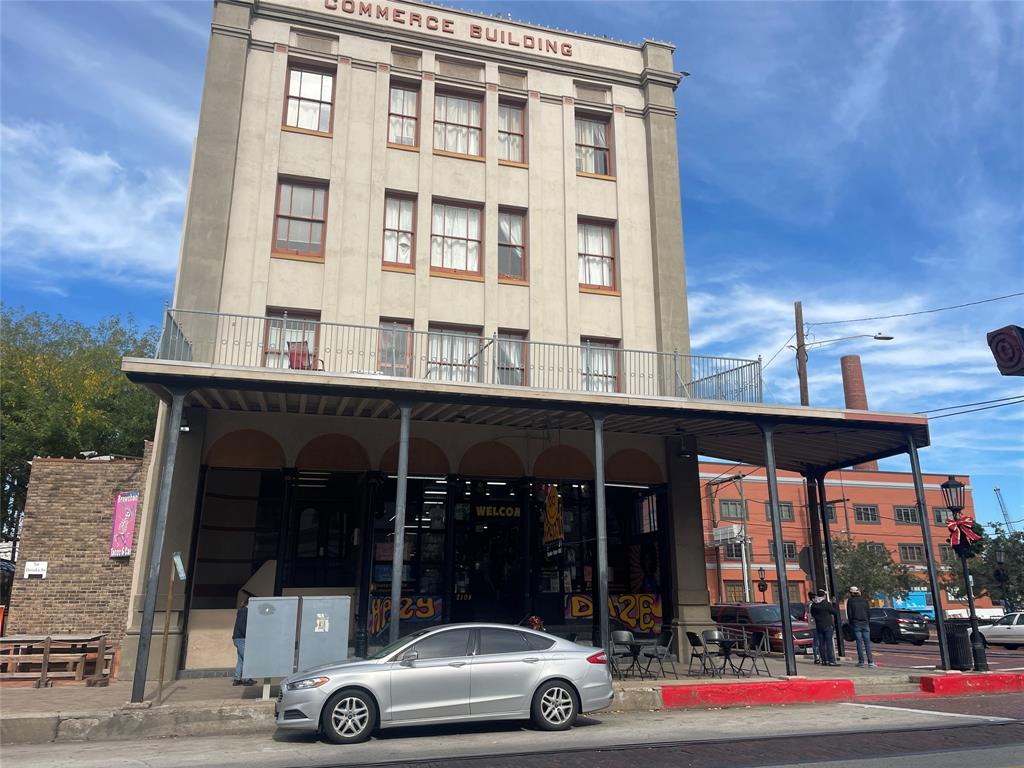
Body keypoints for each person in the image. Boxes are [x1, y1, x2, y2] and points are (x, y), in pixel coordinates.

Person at [847, 586, 876, 668]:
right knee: (867, 643)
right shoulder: (864, 600)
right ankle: (871, 662)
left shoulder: (850, 601)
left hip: (856, 623)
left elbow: (850, 614)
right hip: (865, 622)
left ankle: (861, 661)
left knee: (859, 643)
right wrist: (867, 620)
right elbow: (868, 612)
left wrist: (851, 623)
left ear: (851, 593)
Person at [809, 588, 840, 666]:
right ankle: (831, 660)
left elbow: (812, 614)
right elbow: (835, 612)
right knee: (829, 643)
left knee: (821, 644)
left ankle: (824, 660)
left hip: (819, 625)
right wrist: (834, 604)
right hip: (827, 625)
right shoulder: (826, 603)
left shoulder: (814, 604)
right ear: (824, 595)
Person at [232, 597, 256, 686]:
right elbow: (242, 626)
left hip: (238, 639)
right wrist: (248, 636)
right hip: (241, 639)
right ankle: (247, 679)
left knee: (241, 660)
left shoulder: (243, 611)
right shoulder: (244, 611)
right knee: (247, 659)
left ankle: (237, 679)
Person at [806, 590, 819, 664]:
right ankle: (817, 657)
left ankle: (817, 656)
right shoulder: (812, 605)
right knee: (816, 641)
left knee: (816, 641)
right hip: (815, 624)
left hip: (813, 624)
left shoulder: (810, 605)